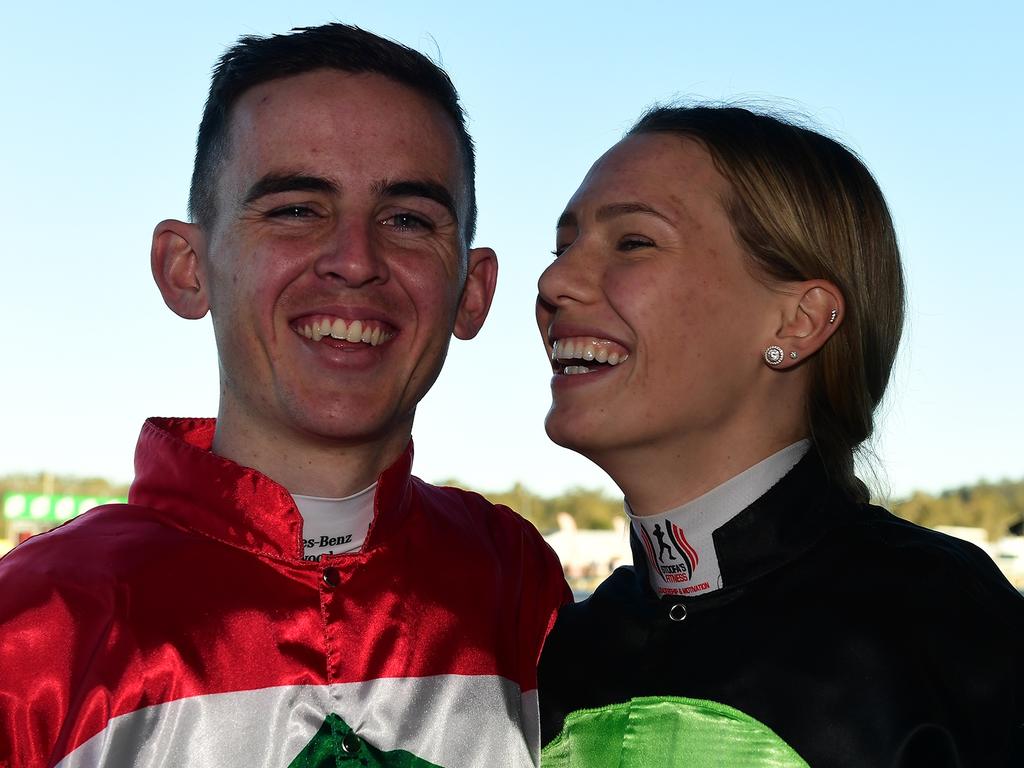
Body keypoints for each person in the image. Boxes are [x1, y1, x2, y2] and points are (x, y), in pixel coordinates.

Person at [0, 24, 568, 768]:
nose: (356, 261)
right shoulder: (33, 630)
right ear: (186, 267)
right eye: (297, 208)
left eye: (408, 219)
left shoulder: (519, 585)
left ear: (473, 290)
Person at [534, 105, 1024, 767]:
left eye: (633, 242)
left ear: (798, 322)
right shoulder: (559, 648)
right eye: (561, 248)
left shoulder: (951, 628)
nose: (554, 281)